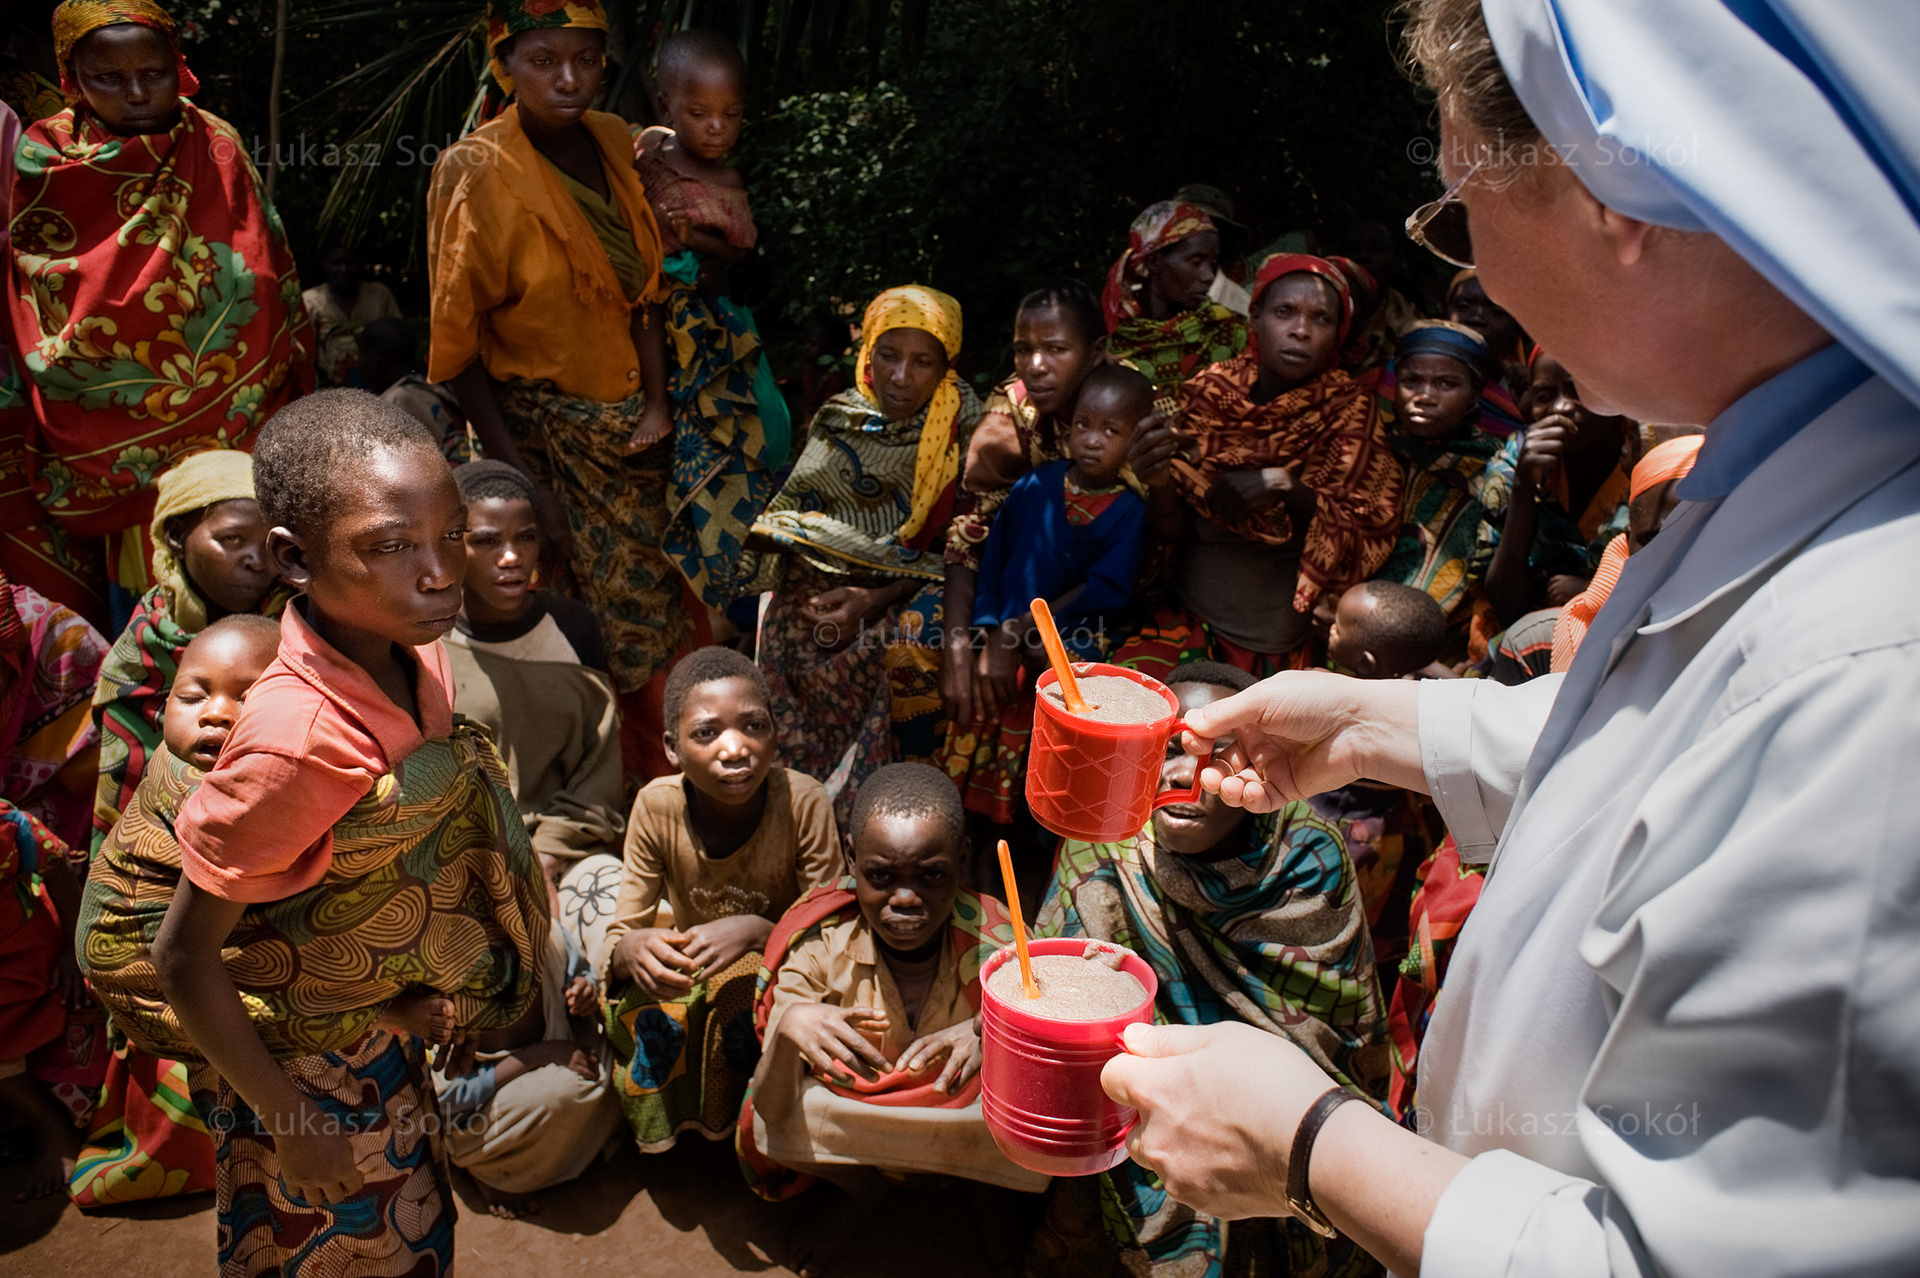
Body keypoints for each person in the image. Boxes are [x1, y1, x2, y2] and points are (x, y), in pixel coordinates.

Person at [1095, 2, 1920, 1274]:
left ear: (1620, 203)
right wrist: (1379, 723)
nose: (1469, 272)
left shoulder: (1878, 679)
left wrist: (1310, 1146)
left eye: (1458, 209)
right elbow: (1672, 758)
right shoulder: (1786, 477)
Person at [83, 390, 548, 1277]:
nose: (442, 570)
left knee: (411, 1241)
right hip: (295, 1086)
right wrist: (295, 1128)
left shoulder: (411, 648)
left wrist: (389, 997)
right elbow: (185, 954)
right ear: (295, 559)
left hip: (370, 1041)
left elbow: (340, 895)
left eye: (451, 534)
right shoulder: (297, 744)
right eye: (389, 546)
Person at [1031, 661, 1386, 1277]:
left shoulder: (1308, 855)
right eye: (1165, 750)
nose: (1183, 776)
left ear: (1256, 768)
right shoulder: (1104, 846)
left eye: (1216, 756)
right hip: (1138, 1129)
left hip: (1280, 1135)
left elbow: (1339, 1036)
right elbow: (1055, 1008)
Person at [427, 0, 691, 783]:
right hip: (535, 437)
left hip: (633, 444)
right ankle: (559, 795)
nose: (568, 79)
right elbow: (457, 351)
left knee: (651, 622)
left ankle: (663, 793)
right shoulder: (473, 170)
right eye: (544, 60)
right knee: (551, 624)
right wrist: (522, 483)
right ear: (506, 65)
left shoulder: (618, 143)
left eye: (585, 59)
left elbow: (659, 284)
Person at [6, 0, 312, 620]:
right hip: (103, 434)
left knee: (249, 581)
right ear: (72, 82)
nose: (138, 93)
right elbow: (46, 290)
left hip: (236, 416)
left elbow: (261, 271)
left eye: (155, 73)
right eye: (109, 79)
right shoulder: (44, 159)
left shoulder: (215, 143)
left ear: (181, 69)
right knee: (150, 614)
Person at [740, 762, 1039, 1261]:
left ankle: (987, 1194)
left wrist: (994, 1030)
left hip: (967, 1128)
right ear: (851, 861)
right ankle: (863, 1191)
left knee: (1037, 1100)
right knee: (773, 1113)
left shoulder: (1002, 945)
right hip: (865, 1131)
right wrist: (790, 1026)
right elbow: (773, 1106)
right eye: (880, 876)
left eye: (931, 876)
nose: (905, 898)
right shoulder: (817, 946)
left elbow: (1049, 1037)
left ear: (962, 861)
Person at [68, 613, 278, 1209]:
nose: (215, 712)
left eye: (247, 697)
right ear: (163, 710)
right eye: (194, 696)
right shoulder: (203, 794)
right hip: (200, 1005)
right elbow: (180, 953)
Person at [748, 285, 981, 821]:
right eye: (888, 355)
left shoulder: (965, 427)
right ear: (867, 354)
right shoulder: (839, 417)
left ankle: (859, 820)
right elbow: (800, 522)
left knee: (887, 649)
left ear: (948, 364)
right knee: (782, 627)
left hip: (909, 592)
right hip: (822, 592)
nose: (902, 377)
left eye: (923, 361)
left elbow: (965, 545)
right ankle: (790, 812)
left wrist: (876, 598)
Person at [599, 646, 840, 1154]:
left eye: (753, 726)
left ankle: (759, 1135)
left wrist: (759, 931)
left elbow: (833, 929)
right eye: (706, 733)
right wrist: (633, 948)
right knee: (645, 999)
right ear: (671, 747)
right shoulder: (656, 806)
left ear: (776, 731)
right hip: (696, 972)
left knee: (742, 994)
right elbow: (624, 933)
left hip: (783, 969)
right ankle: (684, 1134)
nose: (735, 748)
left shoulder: (804, 801)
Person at [1120, 254, 1405, 677]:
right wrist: (1160, 478)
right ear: (1255, 317)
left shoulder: (1350, 412)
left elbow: (1361, 529)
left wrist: (1285, 485)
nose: (1301, 330)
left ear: (1338, 335)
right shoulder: (1207, 393)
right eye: (1284, 312)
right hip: (1184, 626)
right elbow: (1170, 526)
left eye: (1321, 319)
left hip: (1274, 648)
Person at [940, 364, 1149, 825]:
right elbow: (994, 557)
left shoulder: (1130, 511)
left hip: (1064, 634)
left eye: (1111, 431)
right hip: (1003, 633)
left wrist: (1024, 627)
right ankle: (974, 835)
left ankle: (1025, 830)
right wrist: (991, 625)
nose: (1092, 440)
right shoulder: (1037, 484)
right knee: (983, 717)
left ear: (1135, 441)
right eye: (1083, 426)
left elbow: (1106, 590)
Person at [635, 28, 790, 610]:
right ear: (665, 105)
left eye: (731, 114)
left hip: (698, 294)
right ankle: (655, 402)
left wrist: (695, 241)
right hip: (651, 281)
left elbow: (740, 251)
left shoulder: (727, 182)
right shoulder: (646, 151)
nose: (716, 128)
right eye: (699, 113)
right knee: (645, 305)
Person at [941, 279, 1115, 738]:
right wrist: (957, 648)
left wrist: (1017, 631)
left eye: (1055, 349)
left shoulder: (1128, 403)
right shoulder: (1015, 403)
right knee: (918, 643)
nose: (1035, 367)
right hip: (1021, 590)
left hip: (1107, 594)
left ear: (1096, 352)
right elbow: (970, 526)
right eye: (1023, 350)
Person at [91, 451, 285, 857]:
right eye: (232, 540)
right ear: (177, 535)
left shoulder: (299, 626)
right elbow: (123, 805)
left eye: (269, 544)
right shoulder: (141, 657)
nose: (256, 561)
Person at [447, 461, 623, 887]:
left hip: (566, 853)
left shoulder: (572, 627)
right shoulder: (425, 638)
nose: (511, 557)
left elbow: (598, 769)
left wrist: (545, 856)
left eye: (525, 538)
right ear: (452, 545)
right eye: (487, 541)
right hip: (459, 855)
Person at [435, 897, 618, 1220]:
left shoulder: (548, 941)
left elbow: (582, 973)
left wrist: (584, 991)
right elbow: (446, 1102)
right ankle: (492, 1170)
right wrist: (540, 1054)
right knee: (563, 1094)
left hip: (557, 1055)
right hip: (483, 1103)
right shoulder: (446, 993)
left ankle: (541, 1156)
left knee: (612, 1063)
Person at [1371, 321, 1521, 642]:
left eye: (1446, 383)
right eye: (1412, 381)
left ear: (1474, 395)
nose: (1425, 396)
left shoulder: (1500, 474)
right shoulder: (1370, 452)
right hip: (1349, 632)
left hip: (1447, 653)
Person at [1479, 346, 1636, 629]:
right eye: (1544, 396)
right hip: (1526, 636)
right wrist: (1523, 488)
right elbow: (1506, 608)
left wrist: (1592, 592)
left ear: (1614, 394)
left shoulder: (1644, 465)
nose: (1561, 407)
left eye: (1580, 391)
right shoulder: (1514, 463)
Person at [1548, 432, 1702, 672]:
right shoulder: (1584, 627)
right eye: (1652, 539)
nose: (1672, 557)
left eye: (1695, 536)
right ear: (1628, 537)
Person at [1101, 200, 1248, 400]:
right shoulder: (1109, 339)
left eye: (1212, 263)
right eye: (1196, 261)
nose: (1208, 275)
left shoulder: (1230, 333)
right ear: (1154, 262)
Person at [358, 317, 472, 463]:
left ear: (374, 360)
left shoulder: (393, 403)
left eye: (361, 357)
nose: (359, 363)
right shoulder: (432, 385)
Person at [300, 244, 402, 387]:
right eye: (336, 263)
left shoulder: (379, 294)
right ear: (324, 265)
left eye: (350, 263)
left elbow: (399, 341)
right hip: (328, 390)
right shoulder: (311, 301)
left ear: (360, 263)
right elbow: (304, 353)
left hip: (379, 389)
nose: (343, 269)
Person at [1443, 268, 1526, 394]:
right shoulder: (1414, 371)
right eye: (1463, 306)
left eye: (1496, 311)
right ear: (1445, 313)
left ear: (1517, 328)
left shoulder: (1523, 393)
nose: (1477, 317)